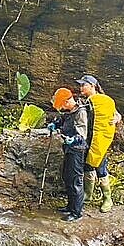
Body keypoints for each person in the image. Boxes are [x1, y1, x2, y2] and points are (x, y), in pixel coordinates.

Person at [75, 75, 121, 212]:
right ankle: (88, 194)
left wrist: (117, 118)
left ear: (92, 86)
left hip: (99, 140)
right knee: (87, 166)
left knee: (100, 167)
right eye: (80, 85)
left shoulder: (104, 101)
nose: (81, 87)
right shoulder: (83, 101)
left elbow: (116, 114)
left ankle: (107, 198)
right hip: (87, 138)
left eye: (84, 85)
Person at [47, 87, 88, 221]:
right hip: (68, 148)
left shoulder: (81, 112)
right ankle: (70, 206)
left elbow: (82, 134)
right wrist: (55, 125)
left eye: (61, 106)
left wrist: (73, 139)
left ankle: (76, 213)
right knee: (67, 177)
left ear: (66, 102)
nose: (61, 109)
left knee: (76, 180)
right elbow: (63, 121)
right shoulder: (69, 112)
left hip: (77, 149)